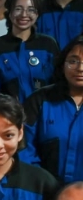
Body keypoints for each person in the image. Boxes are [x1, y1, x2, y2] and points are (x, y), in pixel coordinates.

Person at [24, 37, 83, 184]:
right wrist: (42, 183)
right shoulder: (39, 99)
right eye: (73, 61)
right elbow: (23, 146)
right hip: (43, 189)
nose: (80, 68)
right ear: (62, 65)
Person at [0, 0, 59, 104]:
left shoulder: (48, 45)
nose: (24, 15)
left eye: (31, 10)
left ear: (37, 14)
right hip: (7, 112)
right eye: (18, 9)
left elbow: (58, 83)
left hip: (43, 111)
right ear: (9, 13)